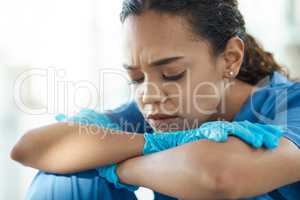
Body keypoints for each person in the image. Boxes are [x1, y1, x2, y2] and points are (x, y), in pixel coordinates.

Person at [11, 0, 300, 199]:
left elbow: (219, 176)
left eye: (171, 74)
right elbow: (31, 147)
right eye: (137, 78)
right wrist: (156, 146)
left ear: (230, 59)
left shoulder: (291, 107)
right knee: (67, 180)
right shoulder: (159, 116)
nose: (148, 95)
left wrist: (118, 166)